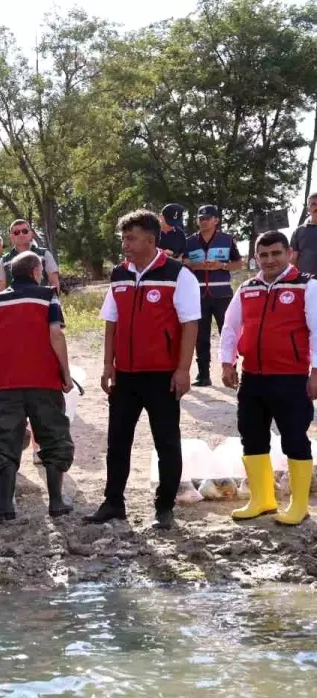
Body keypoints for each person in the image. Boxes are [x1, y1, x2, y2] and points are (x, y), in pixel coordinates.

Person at [85, 209, 200, 530]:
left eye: (131, 238)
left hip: (163, 376)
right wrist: (108, 365)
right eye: (123, 238)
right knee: (117, 441)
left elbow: (190, 325)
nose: (125, 244)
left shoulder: (178, 274)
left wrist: (183, 370)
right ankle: (113, 503)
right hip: (125, 375)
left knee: (166, 441)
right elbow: (111, 321)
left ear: (150, 240)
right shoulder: (119, 274)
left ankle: (164, 507)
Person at [220, 231, 317, 525]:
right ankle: (262, 500)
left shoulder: (307, 286)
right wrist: (227, 362)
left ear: (289, 254)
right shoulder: (247, 288)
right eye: (263, 255)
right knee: (252, 437)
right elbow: (230, 327)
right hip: (253, 378)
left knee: (294, 439)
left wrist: (316, 372)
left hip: (291, 378)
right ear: (256, 257)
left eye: (276, 253)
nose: (270, 260)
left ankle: (299, 506)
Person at [0, 252, 75, 522]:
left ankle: (4, 507)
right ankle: (56, 503)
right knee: (53, 436)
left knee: (4, 440)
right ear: (36, 271)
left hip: (4, 381)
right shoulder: (48, 296)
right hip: (42, 379)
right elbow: (56, 333)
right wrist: (65, 373)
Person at [184, 204, 242, 387]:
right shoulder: (189, 241)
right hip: (198, 294)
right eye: (200, 218)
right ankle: (203, 374)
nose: (203, 221)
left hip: (222, 294)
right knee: (200, 335)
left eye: (207, 218)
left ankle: (233, 372)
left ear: (216, 220)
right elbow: (183, 261)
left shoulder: (227, 239)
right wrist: (194, 265)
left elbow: (239, 263)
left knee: (229, 334)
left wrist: (222, 266)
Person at [0, 219, 61, 292]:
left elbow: (54, 283)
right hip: (15, 302)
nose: (21, 234)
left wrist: (54, 302)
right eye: (16, 232)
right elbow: (1, 288)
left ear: (31, 234)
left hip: (41, 301)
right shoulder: (4, 260)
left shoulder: (44, 254)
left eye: (25, 231)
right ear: (11, 236)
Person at [290, 192, 317, 277]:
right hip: (306, 283)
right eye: (313, 204)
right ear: (308, 209)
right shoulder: (298, 232)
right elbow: (293, 259)